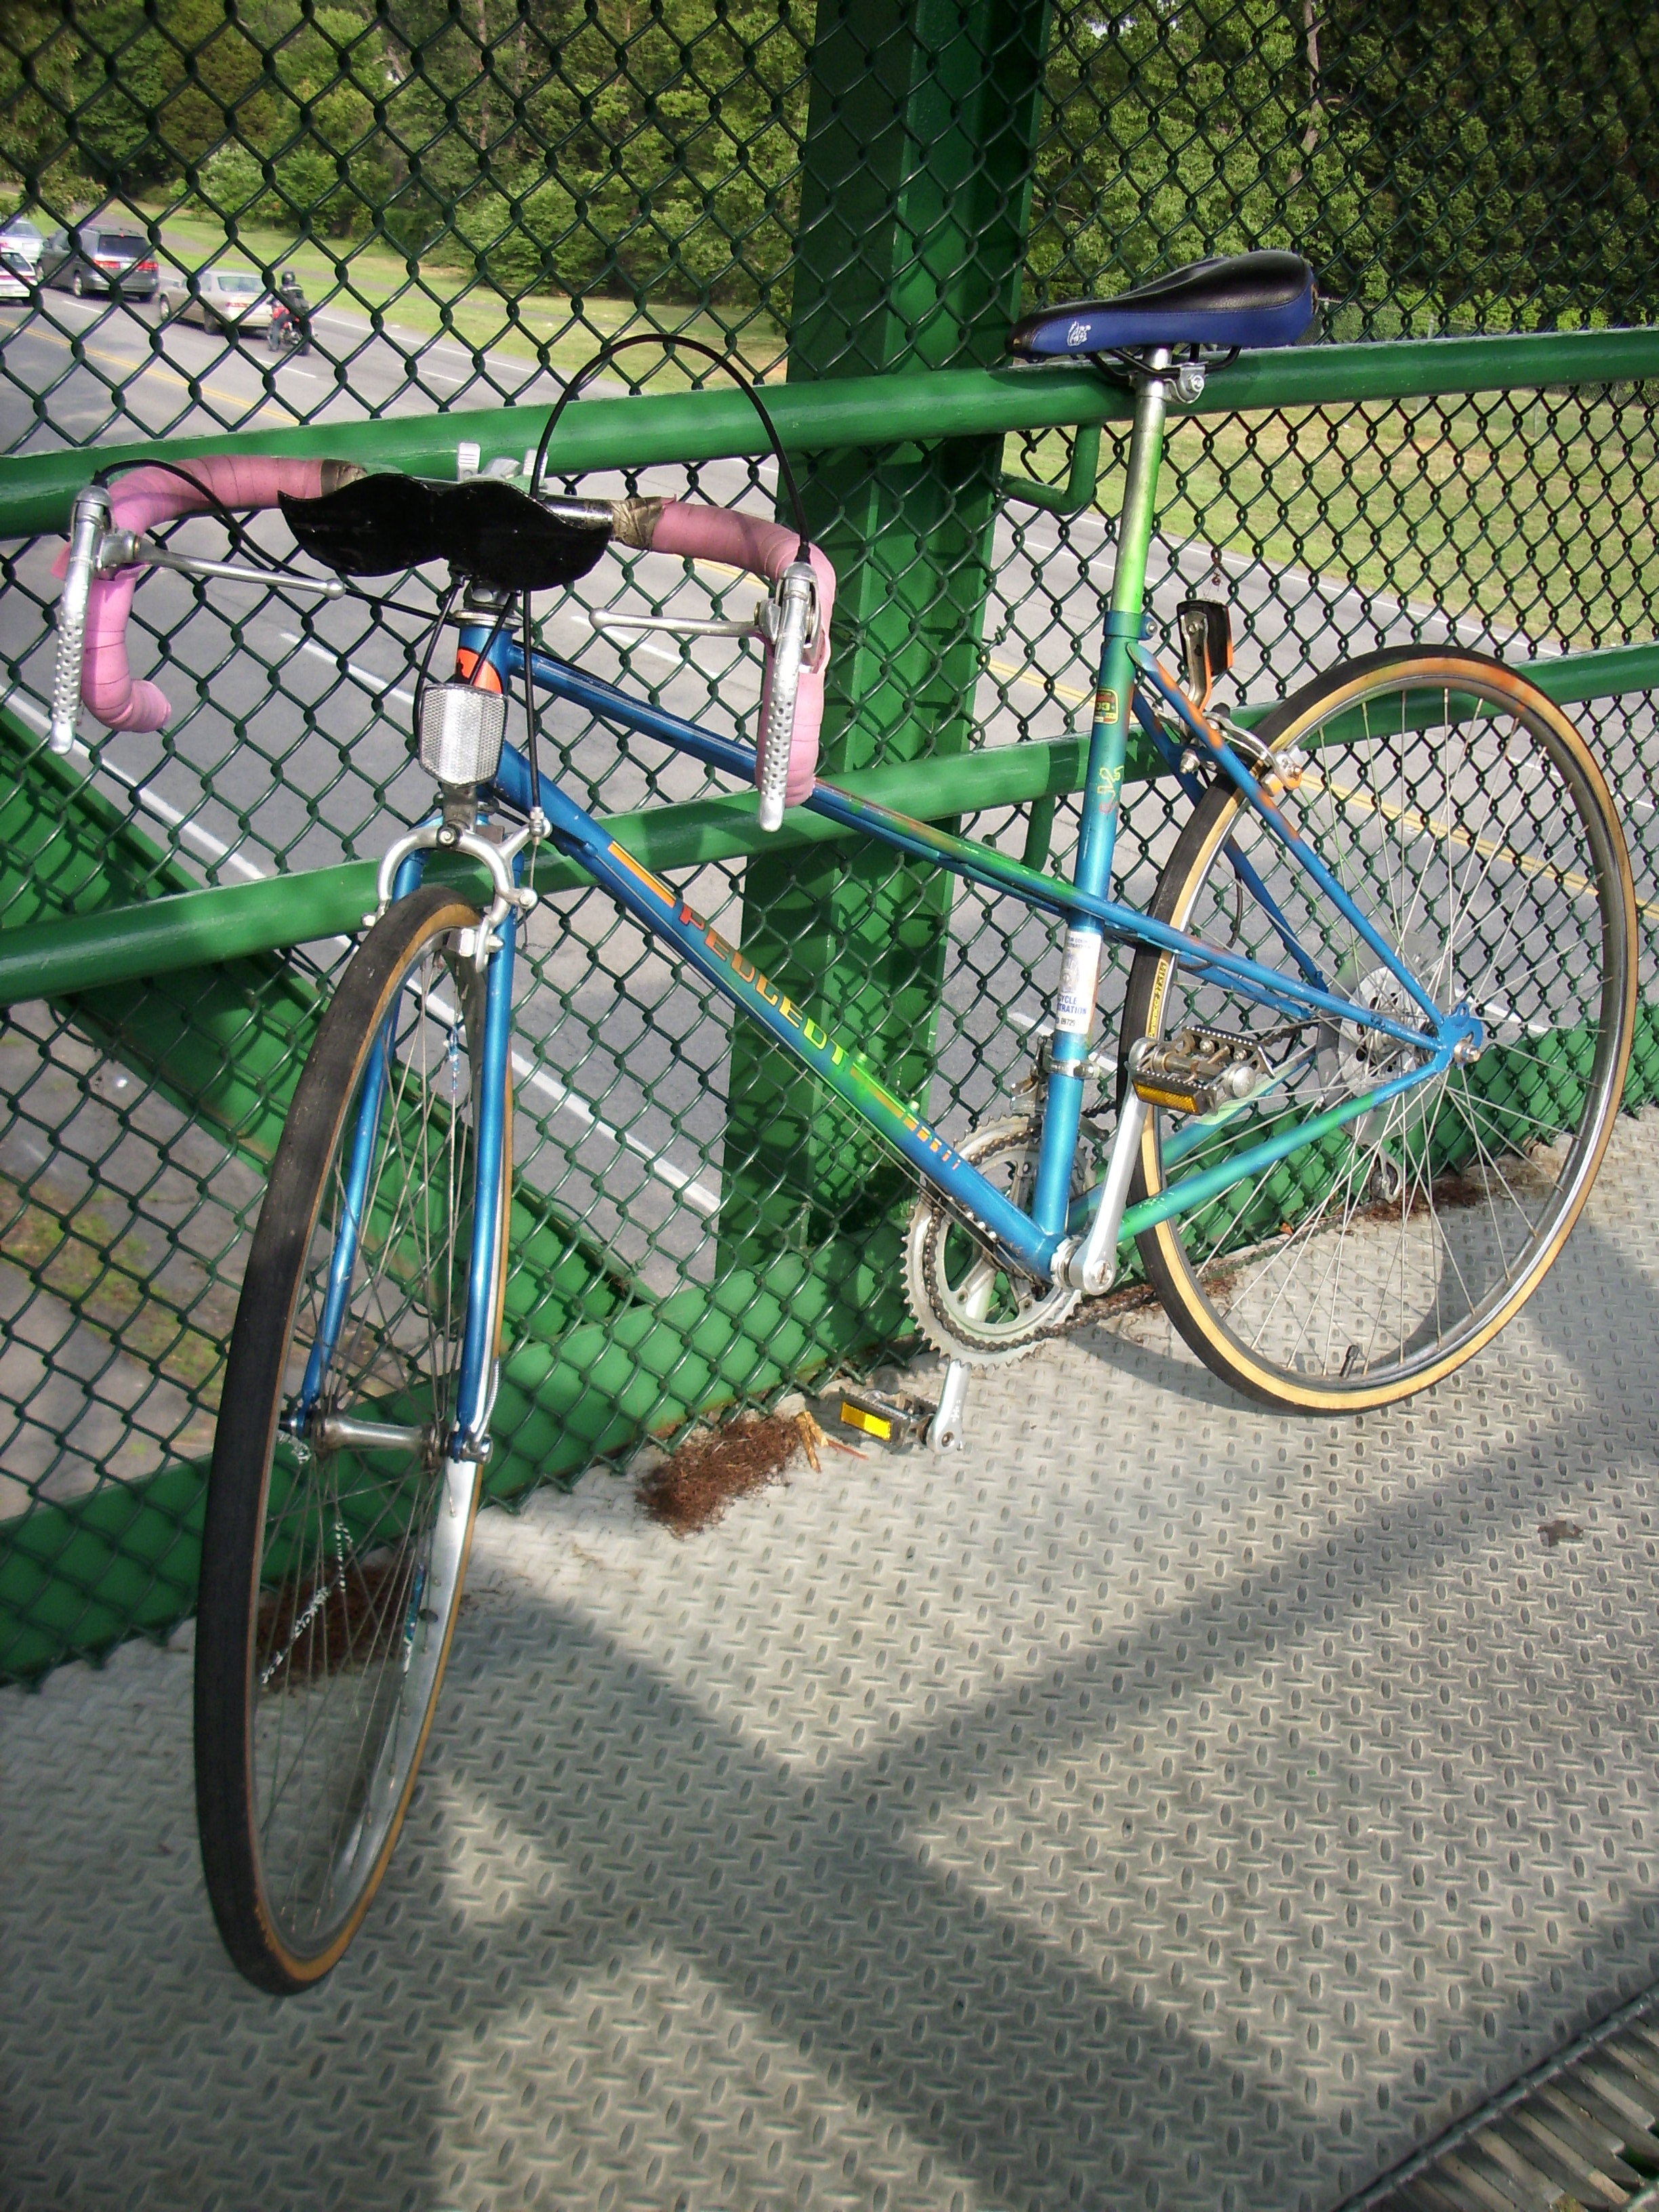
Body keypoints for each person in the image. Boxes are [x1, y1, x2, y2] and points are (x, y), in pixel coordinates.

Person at [272, 266, 310, 354]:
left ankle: (274, 345)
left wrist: (270, 302)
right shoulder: (299, 288)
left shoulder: (283, 289)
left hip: (291, 312)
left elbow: (276, 298)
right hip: (303, 312)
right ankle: (297, 333)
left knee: (277, 324)